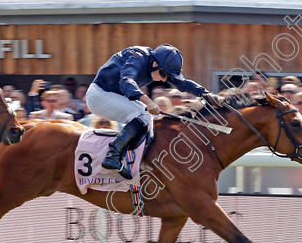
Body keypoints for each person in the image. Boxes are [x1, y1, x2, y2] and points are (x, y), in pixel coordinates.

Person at [85, 45, 222, 179]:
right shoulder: (137, 56)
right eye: (164, 74)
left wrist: (208, 95)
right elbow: (126, 80)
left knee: (151, 117)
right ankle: (113, 155)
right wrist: (148, 101)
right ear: (155, 63)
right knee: (143, 114)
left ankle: (134, 159)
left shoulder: (158, 65)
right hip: (98, 95)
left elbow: (183, 84)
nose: (164, 79)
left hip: (114, 96)